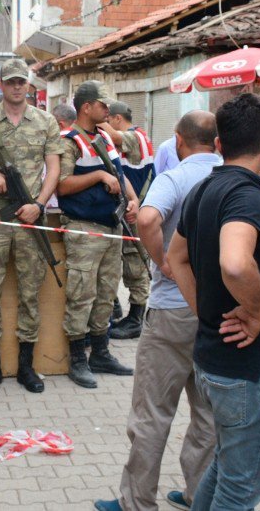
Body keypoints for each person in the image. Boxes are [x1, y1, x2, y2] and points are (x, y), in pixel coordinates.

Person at [165, 94, 260, 511]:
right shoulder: (244, 195)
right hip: (247, 369)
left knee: (225, 468)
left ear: (219, 144)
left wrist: (204, 308)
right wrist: (255, 312)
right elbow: (235, 264)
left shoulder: (205, 188)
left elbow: (175, 258)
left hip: (218, 360)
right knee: (239, 489)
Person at [95, 110, 221, 511]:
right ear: (217, 142)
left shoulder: (177, 177)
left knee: (152, 413)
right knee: (207, 413)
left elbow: (148, 217)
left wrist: (163, 261)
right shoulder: (231, 177)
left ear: (180, 142)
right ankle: (197, 494)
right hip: (217, 311)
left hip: (171, 309)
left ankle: (137, 501)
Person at [0, 58, 65, 394]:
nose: (16, 87)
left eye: (21, 82)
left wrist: (38, 204)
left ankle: (26, 365)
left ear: (29, 85)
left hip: (29, 216)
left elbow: (53, 168)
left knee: (30, 292)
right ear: (0, 84)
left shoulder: (45, 121)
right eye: (10, 82)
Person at [57, 81, 138, 389]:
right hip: (84, 226)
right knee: (81, 294)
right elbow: (62, 184)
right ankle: (77, 358)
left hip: (112, 225)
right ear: (86, 107)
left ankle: (101, 353)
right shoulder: (69, 140)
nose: (108, 110)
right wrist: (98, 175)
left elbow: (120, 174)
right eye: (103, 105)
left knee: (106, 293)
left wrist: (134, 201)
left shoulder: (104, 136)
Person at [104, 101, 154, 340]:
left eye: (108, 118)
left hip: (137, 209)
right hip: (131, 208)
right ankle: (124, 312)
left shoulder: (136, 136)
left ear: (115, 118)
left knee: (135, 263)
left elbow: (114, 137)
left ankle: (136, 317)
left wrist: (96, 120)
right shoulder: (137, 136)